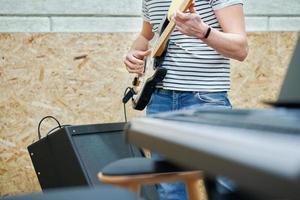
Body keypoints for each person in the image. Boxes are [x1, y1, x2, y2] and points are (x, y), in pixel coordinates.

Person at [123, 0, 248, 199]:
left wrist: (203, 31)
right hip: (160, 99)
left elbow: (241, 49)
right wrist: (132, 54)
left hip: (206, 99)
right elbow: (145, 36)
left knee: (226, 183)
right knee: (169, 187)